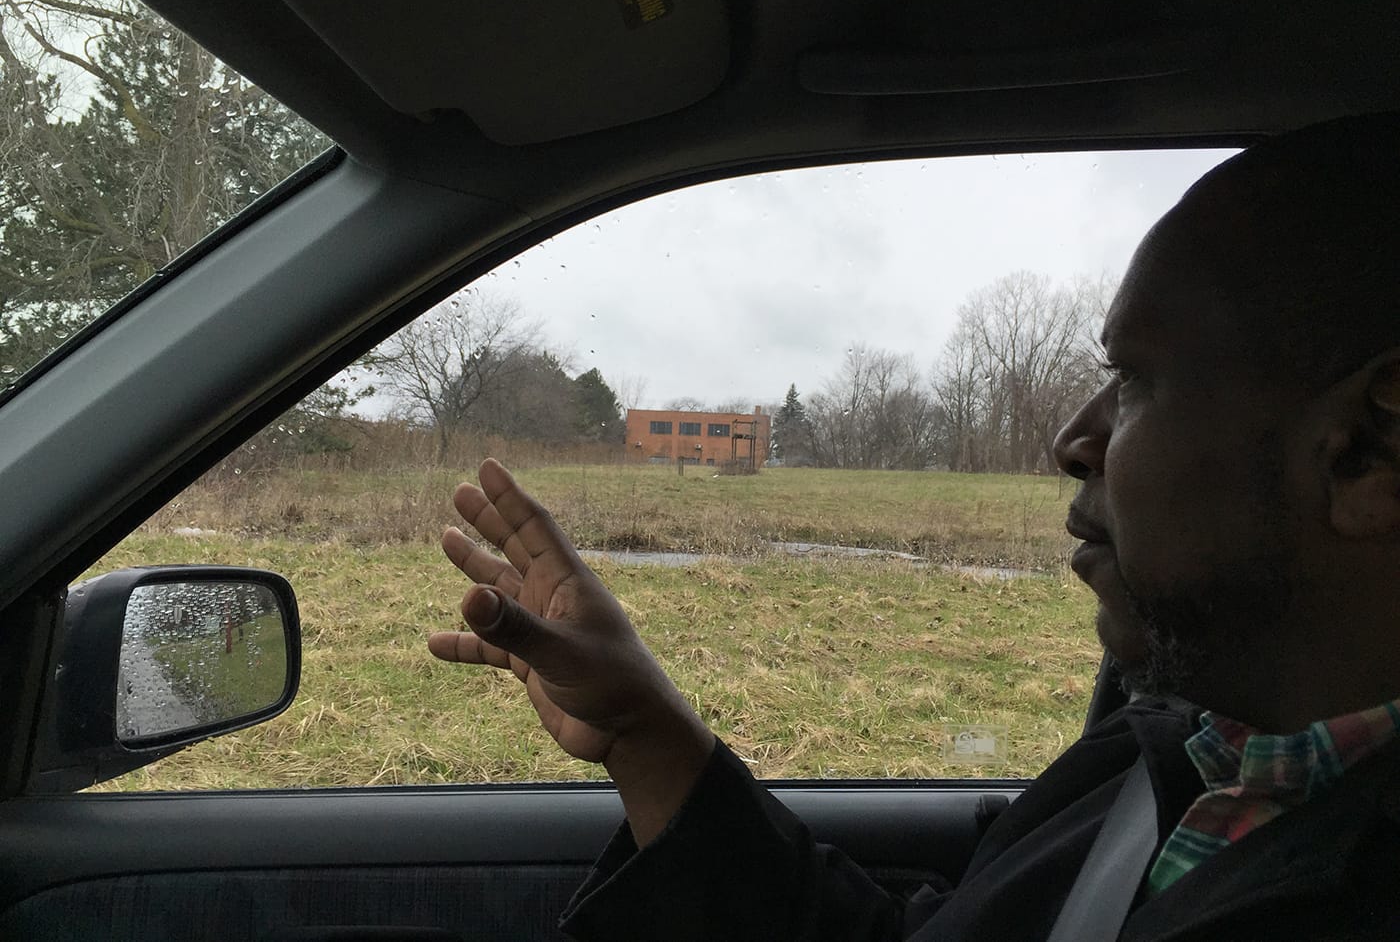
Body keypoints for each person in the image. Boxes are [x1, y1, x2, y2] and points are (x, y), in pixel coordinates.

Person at [426, 114, 1400, 940]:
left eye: (1136, 380)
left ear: (1363, 455)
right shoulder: (1173, 756)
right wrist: (645, 731)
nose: (1071, 440)